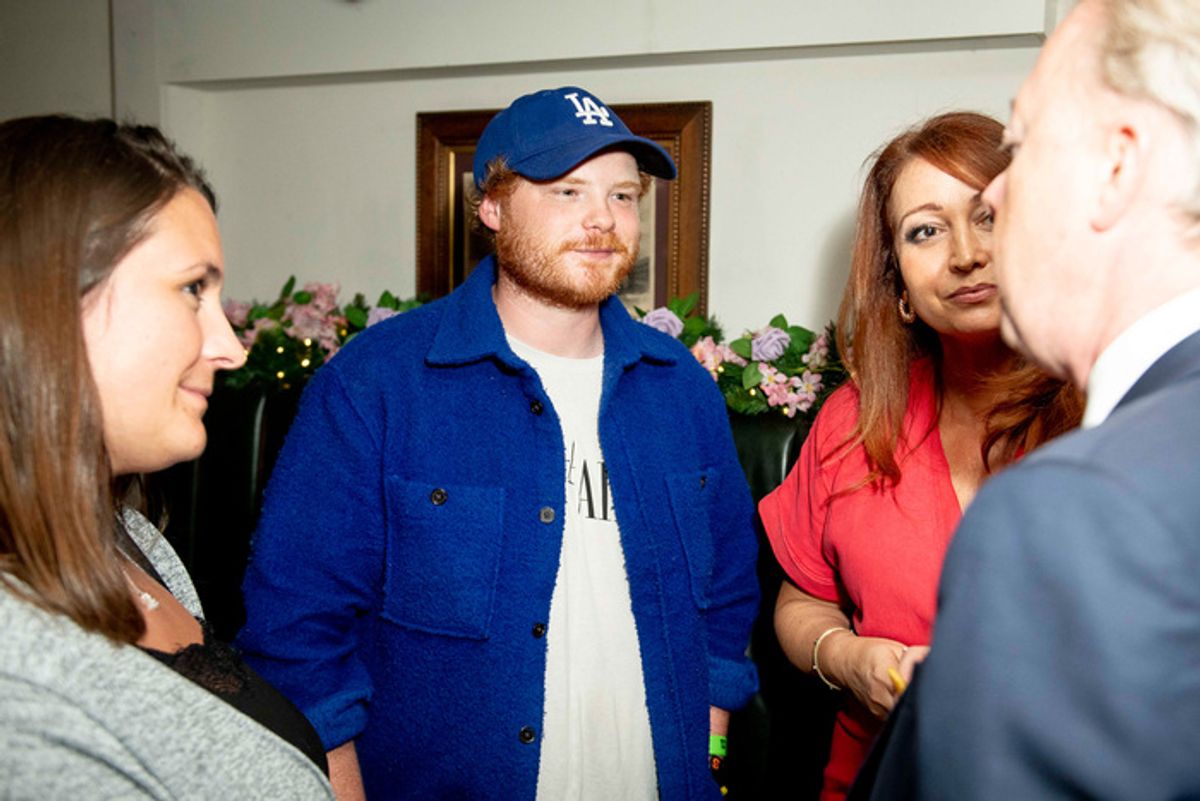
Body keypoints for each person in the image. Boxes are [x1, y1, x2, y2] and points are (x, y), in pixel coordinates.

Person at [236, 86, 760, 800]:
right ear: (491, 206)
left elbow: (728, 592)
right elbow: (295, 627)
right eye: (567, 190)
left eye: (623, 196)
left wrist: (712, 742)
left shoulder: (682, 390)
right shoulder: (375, 385)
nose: (602, 219)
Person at [858, 1, 1200, 798]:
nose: (994, 205)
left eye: (1020, 145)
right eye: (924, 230)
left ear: (1120, 166)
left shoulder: (1078, 505)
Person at [0, 116, 334, 798]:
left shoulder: (134, 536)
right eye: (191, 290)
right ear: (49, 304)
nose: (231, 347)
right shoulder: (17, 701)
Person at [758, 111, 1081, 800]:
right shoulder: (853, 420)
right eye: (925, 230)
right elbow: (802, 598)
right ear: (900, 288)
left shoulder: (1112, 410)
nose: (965, 252)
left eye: (989, 214)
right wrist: (847, 658)